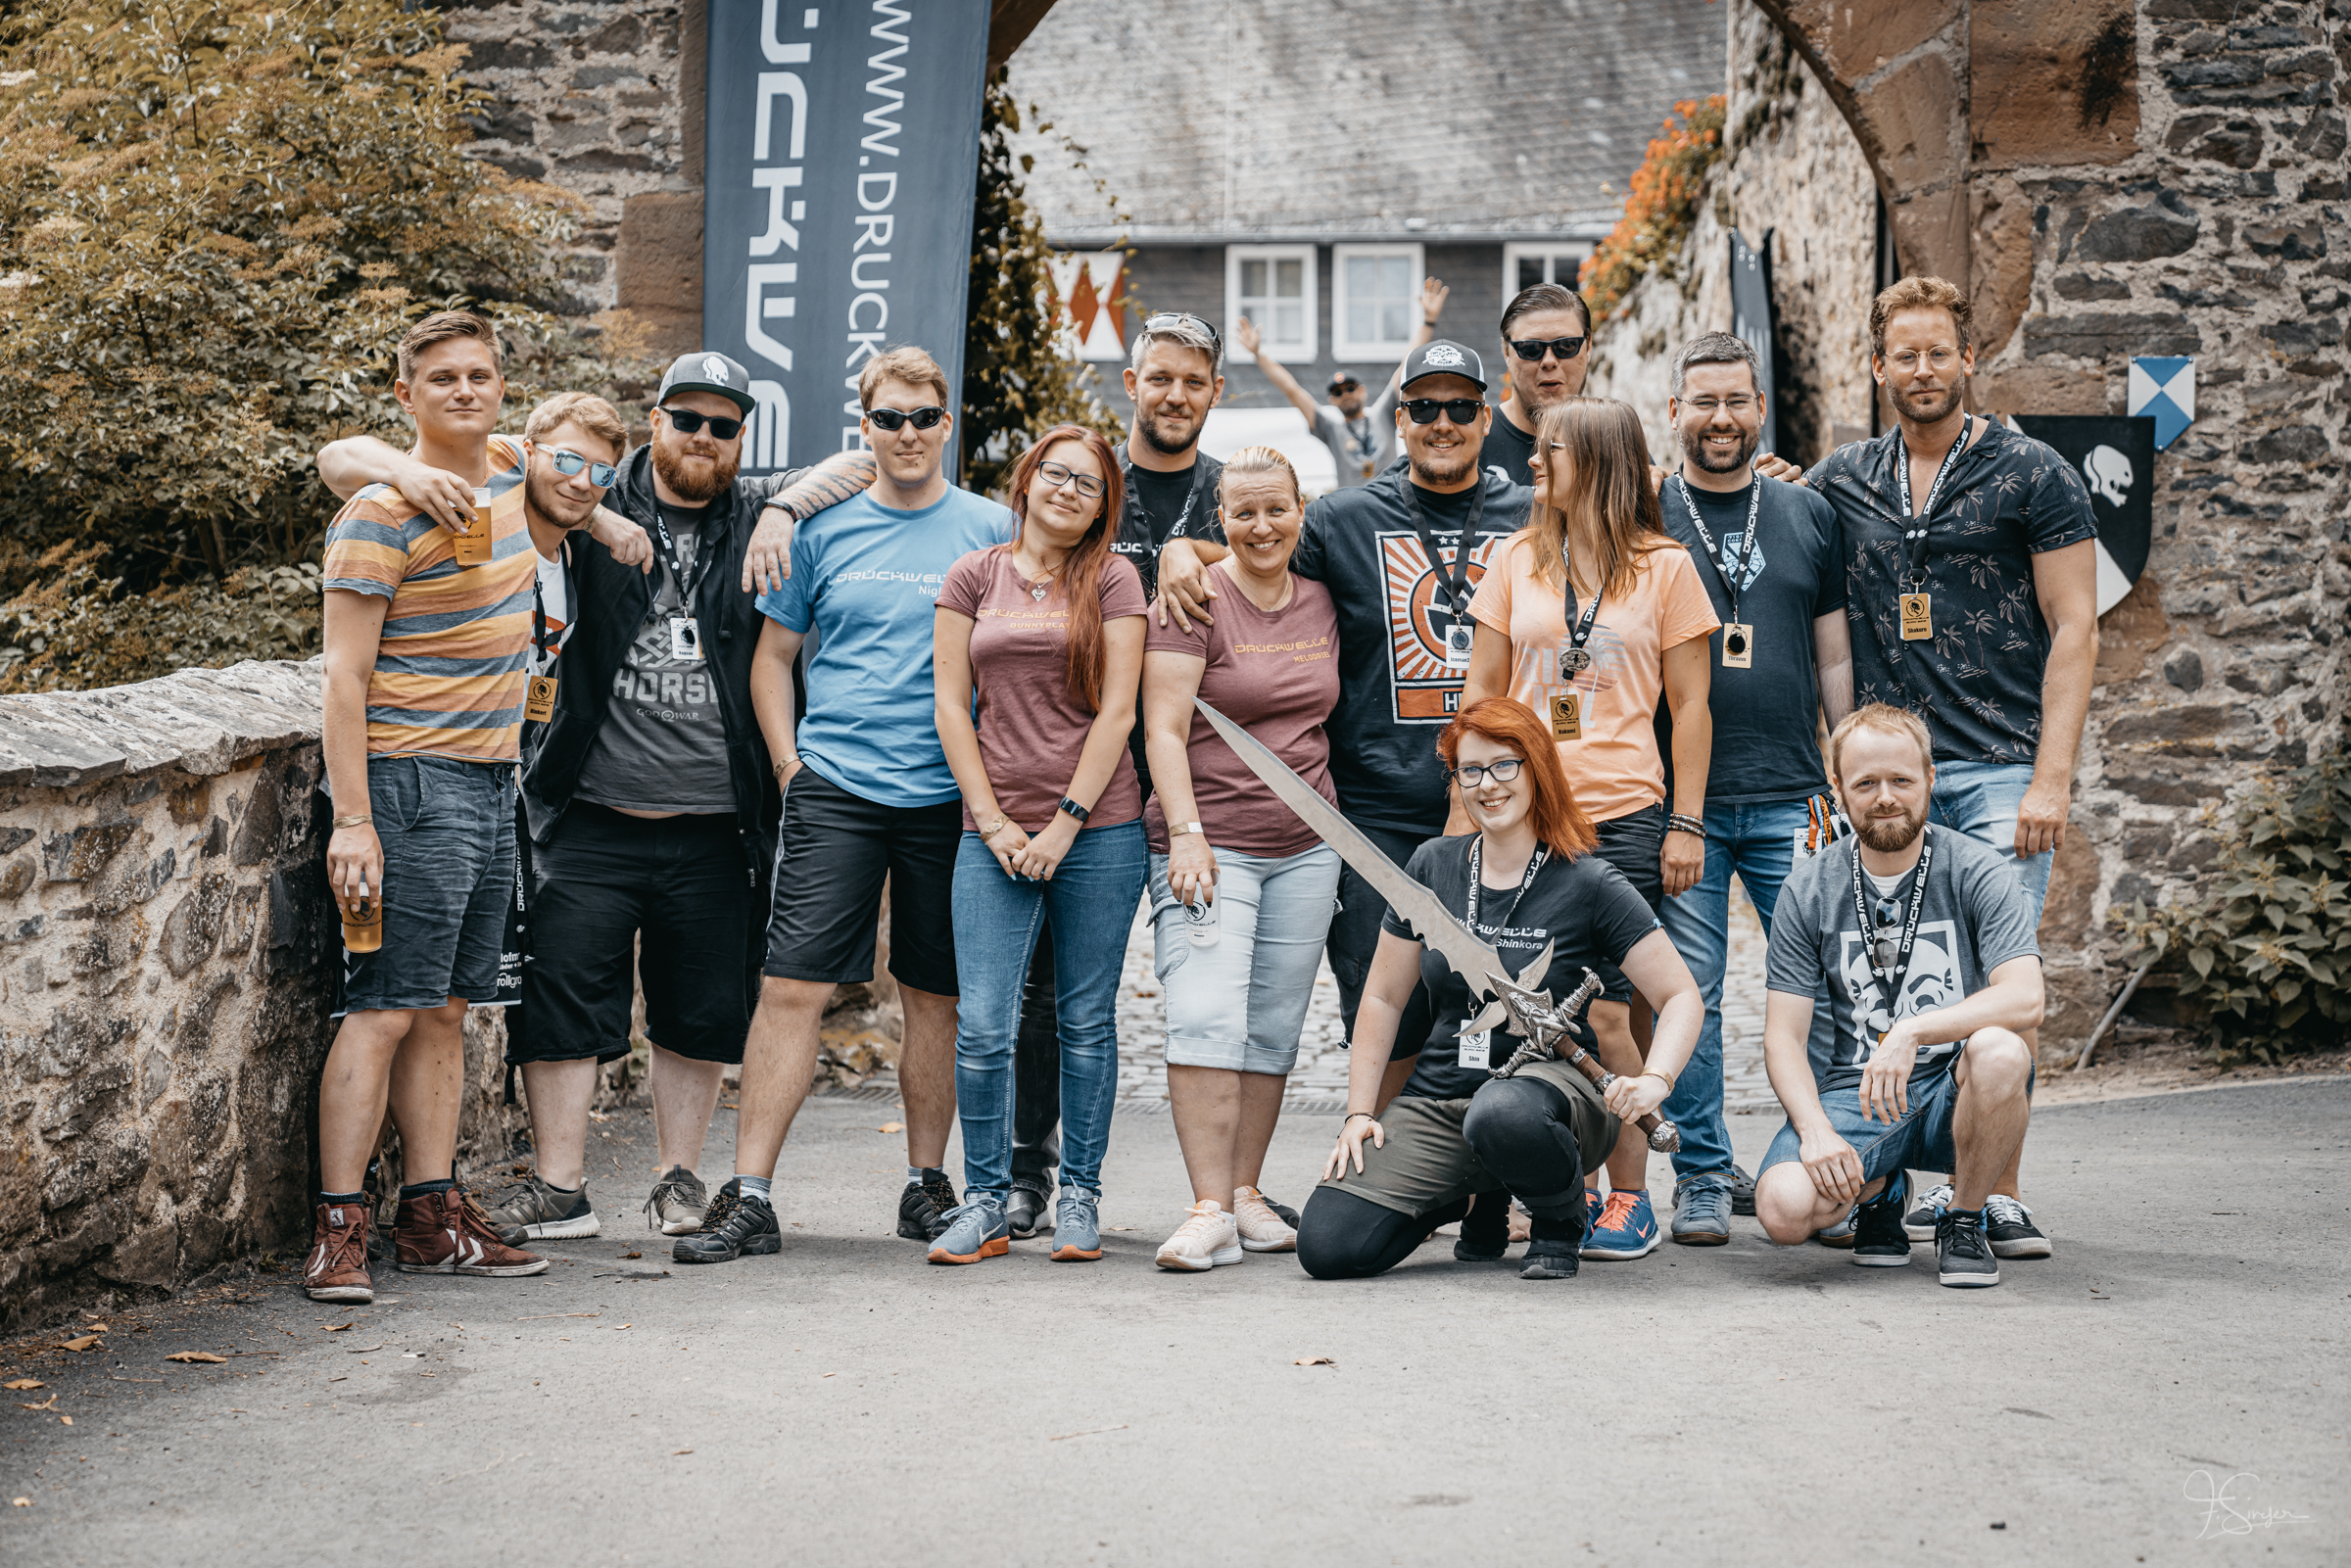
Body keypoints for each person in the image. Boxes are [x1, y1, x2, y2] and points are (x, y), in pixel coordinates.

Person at [490, 355, 875, 1245]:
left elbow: (861, 462)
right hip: (587, 809)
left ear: (740, 437)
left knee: (697, 1011)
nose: (704, 437)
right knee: (560, 999)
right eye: (687, 419)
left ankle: (677, 1179)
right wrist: (598, 520)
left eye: (723, 425)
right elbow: (506, 454)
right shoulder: (595, 488)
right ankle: (560, 1188)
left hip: (716, 824)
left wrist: (783, 509)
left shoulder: (759, 505)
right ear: (654, 420)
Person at [1763, 274, 2095, 1252]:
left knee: (1994, 979)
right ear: (1878, 366)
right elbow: (1784, 537)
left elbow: (2076, 627)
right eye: (1903, 354)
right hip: (1887, 776)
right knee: (1885, 967)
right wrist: (1774, 484)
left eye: (1938, 352)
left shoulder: (2034, 472)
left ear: (1967, 358)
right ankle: (1874, 1172)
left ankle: (1992, 1192)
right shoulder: (1843, 477)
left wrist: (2051, 778)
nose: (1922, 369)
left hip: (1996, 766)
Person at [676, 346, 1014, 1265]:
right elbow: (773, 660)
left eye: (924, 417)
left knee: (935, 996)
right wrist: (792, 767)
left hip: (950, 793)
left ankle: (926, 1183)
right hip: (838, 787)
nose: (907, 433)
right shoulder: (821, 528)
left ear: (946, 424)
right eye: (889, 417)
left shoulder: (992, 528)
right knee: (791, 987)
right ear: (865, 427)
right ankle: (750, 1196)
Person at [1162, 342, 1531, 1130]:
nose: (1441, 422)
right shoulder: (1342, 517)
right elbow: (1258, 558)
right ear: (1400, 419)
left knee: (1498, 996)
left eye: (1460, 406)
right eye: (1423, 406)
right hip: (1372, 816)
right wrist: (1177, 549)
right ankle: (1390, 1164)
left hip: (1504, 807)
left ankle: (1494, 1167)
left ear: (1486, 416)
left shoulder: (1532, 513)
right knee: (1384, 1000)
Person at [307, 311, 558, 1302]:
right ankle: (338, 1232)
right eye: (443, 377)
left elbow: (587, 469)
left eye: (480, 375)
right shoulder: (378, 512)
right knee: (383, 1009)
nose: (464, 389)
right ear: (406, 393)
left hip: (492, 781)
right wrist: (353, 819)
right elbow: (343, 676)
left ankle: (431, 1217)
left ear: (501, 388)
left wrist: (616, 525)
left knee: (448, 1009)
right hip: (410, 781)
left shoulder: (511, 466)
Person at [1299, 698, 1703, 1281]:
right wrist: (1359, 1113)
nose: (1488, 785)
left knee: (1503, 1112)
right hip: (1442, 1097)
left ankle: (1559, 1221)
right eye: (1470, 770)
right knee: (1330, 1245)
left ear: (1538, 769)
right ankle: (1467, 1195)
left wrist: (1655, 1080)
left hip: (1553, 1096)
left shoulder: (1589, 880)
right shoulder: (1433, 864)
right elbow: (1383, 999)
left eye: (1504, 765)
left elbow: (1681, 996)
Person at [1461, 395, 1718, 1261]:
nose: (1534, 462)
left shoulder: (1666, 567)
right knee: (1516, 1004)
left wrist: (1687, 821)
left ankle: (1630, 1198)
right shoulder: (1514, 558)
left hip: (1626, 815)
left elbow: (1690, 707)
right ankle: (1535, 1183)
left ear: (1600, 461)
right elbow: (1484, 695)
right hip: (1522, 815)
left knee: (1612, 1012)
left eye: (1552, 451)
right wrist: (1465, 811)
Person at [998, 311, 1234, 1241]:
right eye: (1160, 377)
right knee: (1045, 992)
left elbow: (1282, 545)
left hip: (1192, 783)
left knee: (1207, 989)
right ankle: (1028, 1168)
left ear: (1216, 393)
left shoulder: (1228, 492)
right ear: (1130, 384)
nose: (1176, 395)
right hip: (1073, 777)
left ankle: (1228, 1190)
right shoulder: (1090, 478)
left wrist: (1194, 548)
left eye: (1194, 381)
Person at [1647, 334, 1854, 1247]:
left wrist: (1846, 759)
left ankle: (1825, 1167)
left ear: (1760, 407)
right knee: (1689, 994)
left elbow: (1833, 651)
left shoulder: (1807, 512)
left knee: (1822, 987)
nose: (1722, 418)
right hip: (1682, 805)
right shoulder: (1646, 511)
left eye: (1737, 400)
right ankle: (1701, 1174)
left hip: (1794, 795)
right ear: (1674, 413)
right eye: (1704, 401)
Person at [926, 427, 1148, 1265]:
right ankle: (984, 1201)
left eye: (1088, 484)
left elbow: (1119, 710)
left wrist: (1064, 822)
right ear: (1026, 483)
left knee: (1084, 1021)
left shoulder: (1115, 579)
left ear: (1102, 507)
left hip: (1100, 831)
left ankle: (1080, 1194)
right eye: (1056, 473)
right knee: (983, 1024)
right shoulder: (972, 575)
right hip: (991, 833)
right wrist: (991, 821)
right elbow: (951, 706)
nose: (1068, 490)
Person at [1751, 705, 2043, 1289]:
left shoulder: (1976, 869)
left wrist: (1913, 1030)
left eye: (1901, 780)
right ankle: (1880, 1189)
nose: (1885, 798)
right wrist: (1815, 1131)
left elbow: (2025, 997)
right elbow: (1783, 1036)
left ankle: (1964, 1217)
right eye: (1866, 783)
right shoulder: (1808, 888)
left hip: (1954, 1087)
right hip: (1855, 1096)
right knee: (1783, 1210)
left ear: (1929, 779)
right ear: (1838, 789)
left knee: (2001, 1052)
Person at [1139, 447, 1344, 1270]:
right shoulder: (1193, 597)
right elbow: (1162, 726)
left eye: (1276, 509)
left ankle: (1246, 1192)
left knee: (1272, 1027)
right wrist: (1185, 831)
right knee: (1204, 1016)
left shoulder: (1322, 598)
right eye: (1244, 512)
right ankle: (1207, 1206)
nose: (1262, 526)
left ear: (1301, 511)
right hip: (1211, 841)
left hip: (1307, 846)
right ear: (1219, 519)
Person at [1232, 277, 1449, 487]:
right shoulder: (1331, 429)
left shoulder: (1383, 414)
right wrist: (1258, 355)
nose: (1345, 394)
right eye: (1338, 392)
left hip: (1392, 502)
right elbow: (1292, 390)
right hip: (1353, 507)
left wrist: (1428, 322)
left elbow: (1406, 365)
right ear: (1332, 401)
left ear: (1363, 391)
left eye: (1350, 388)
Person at [1482, 284, 1593, 487]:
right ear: (1506, 351)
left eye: (1566, 346)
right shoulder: (1473, 442)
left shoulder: (1613, 442)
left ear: (1588, 346)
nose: (1549, 361)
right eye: (1531, 348)